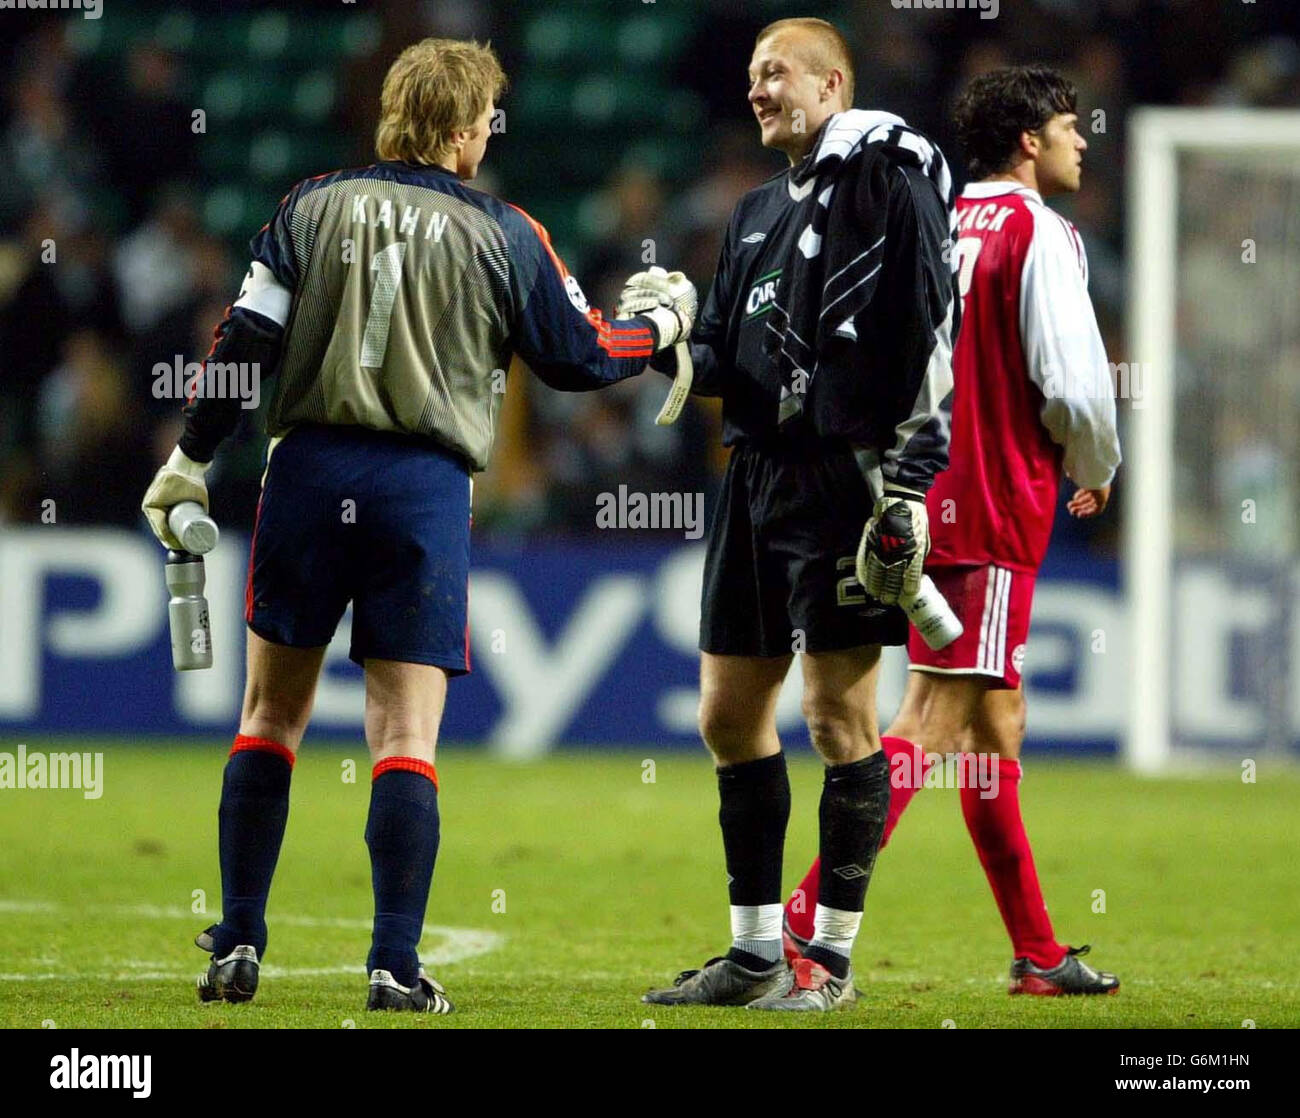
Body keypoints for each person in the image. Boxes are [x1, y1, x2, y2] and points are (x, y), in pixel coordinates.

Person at [140, 38, 695, 1014]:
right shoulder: (504, 231)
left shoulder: (308, 203)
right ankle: (394, 964)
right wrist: (659, 334)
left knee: (269, 714)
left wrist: (189, 457)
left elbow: (244, 341)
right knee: (404, 734)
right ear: (456, 128)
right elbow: (575, 358)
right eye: (483, 121)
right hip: (423, 486)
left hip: (306, 471)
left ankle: (236, 937)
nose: (488, 135)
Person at [629, 17, 958, 1012]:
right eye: (751, 76)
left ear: (833, 85)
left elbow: (928, 326)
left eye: (777, 73)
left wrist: (910, 480)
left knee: (835, 713)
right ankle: (755, 952)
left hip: (839, 482)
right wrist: (668, 336)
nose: (759, 89)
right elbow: (725, 362)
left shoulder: (884, 183)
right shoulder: (753, 213)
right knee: (729, 715)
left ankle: (834, 961)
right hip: (753, 477)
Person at [783, 65, 1122, 996]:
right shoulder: (1036, 232)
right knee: (930, 722)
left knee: (995, 727)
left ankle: (1039, 954)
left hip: (916, 495)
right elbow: (1075, 381)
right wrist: (1095, 465)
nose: (1081, 140)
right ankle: (807, 923)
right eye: (1067, 125)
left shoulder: (936, 217)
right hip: (992, 500)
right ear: (1028, 142)